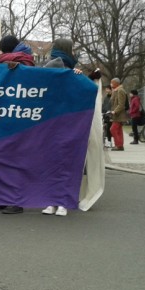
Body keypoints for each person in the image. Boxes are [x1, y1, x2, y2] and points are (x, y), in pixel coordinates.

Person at [40, 38, 84, 217]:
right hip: (68, 122)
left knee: (52, 163)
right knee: (65, 163)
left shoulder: (53, 68)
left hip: (50, 123)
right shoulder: (68, 69)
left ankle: (54, 201)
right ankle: (60, 201)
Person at [0, 35, 36, 214]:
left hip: (7, 119)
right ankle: (13, 199)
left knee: (7, 162)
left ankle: (13, 200)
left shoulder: (4, 65)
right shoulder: (29, 63)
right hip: (24, 119)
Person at [109, 78, 128, 151]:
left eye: (112, 82)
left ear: (116, 83)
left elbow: (121, 104)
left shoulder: (120, 91)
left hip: (119, 114)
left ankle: (118, 145)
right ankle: (120, 145)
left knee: (113, 129)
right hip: (117, 115)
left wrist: (115, 111)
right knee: (118, 130)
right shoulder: (116, 91)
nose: (111, 84)